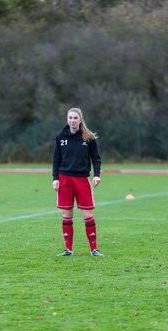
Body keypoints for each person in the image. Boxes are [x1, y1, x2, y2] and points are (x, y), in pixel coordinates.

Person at [52, 108, 104, 257]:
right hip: (64, 179)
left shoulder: (89, 138)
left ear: (80, 119)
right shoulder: (60, 137)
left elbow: (96, 158)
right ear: (67, 119)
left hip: (82, 179)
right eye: (70, 118)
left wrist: (97, 175)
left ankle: (94, 249)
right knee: (66, 215)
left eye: (75, 118)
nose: (72, 120)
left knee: (88, 215)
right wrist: (55, 178)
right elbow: (56, 159)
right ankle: (68, 249)